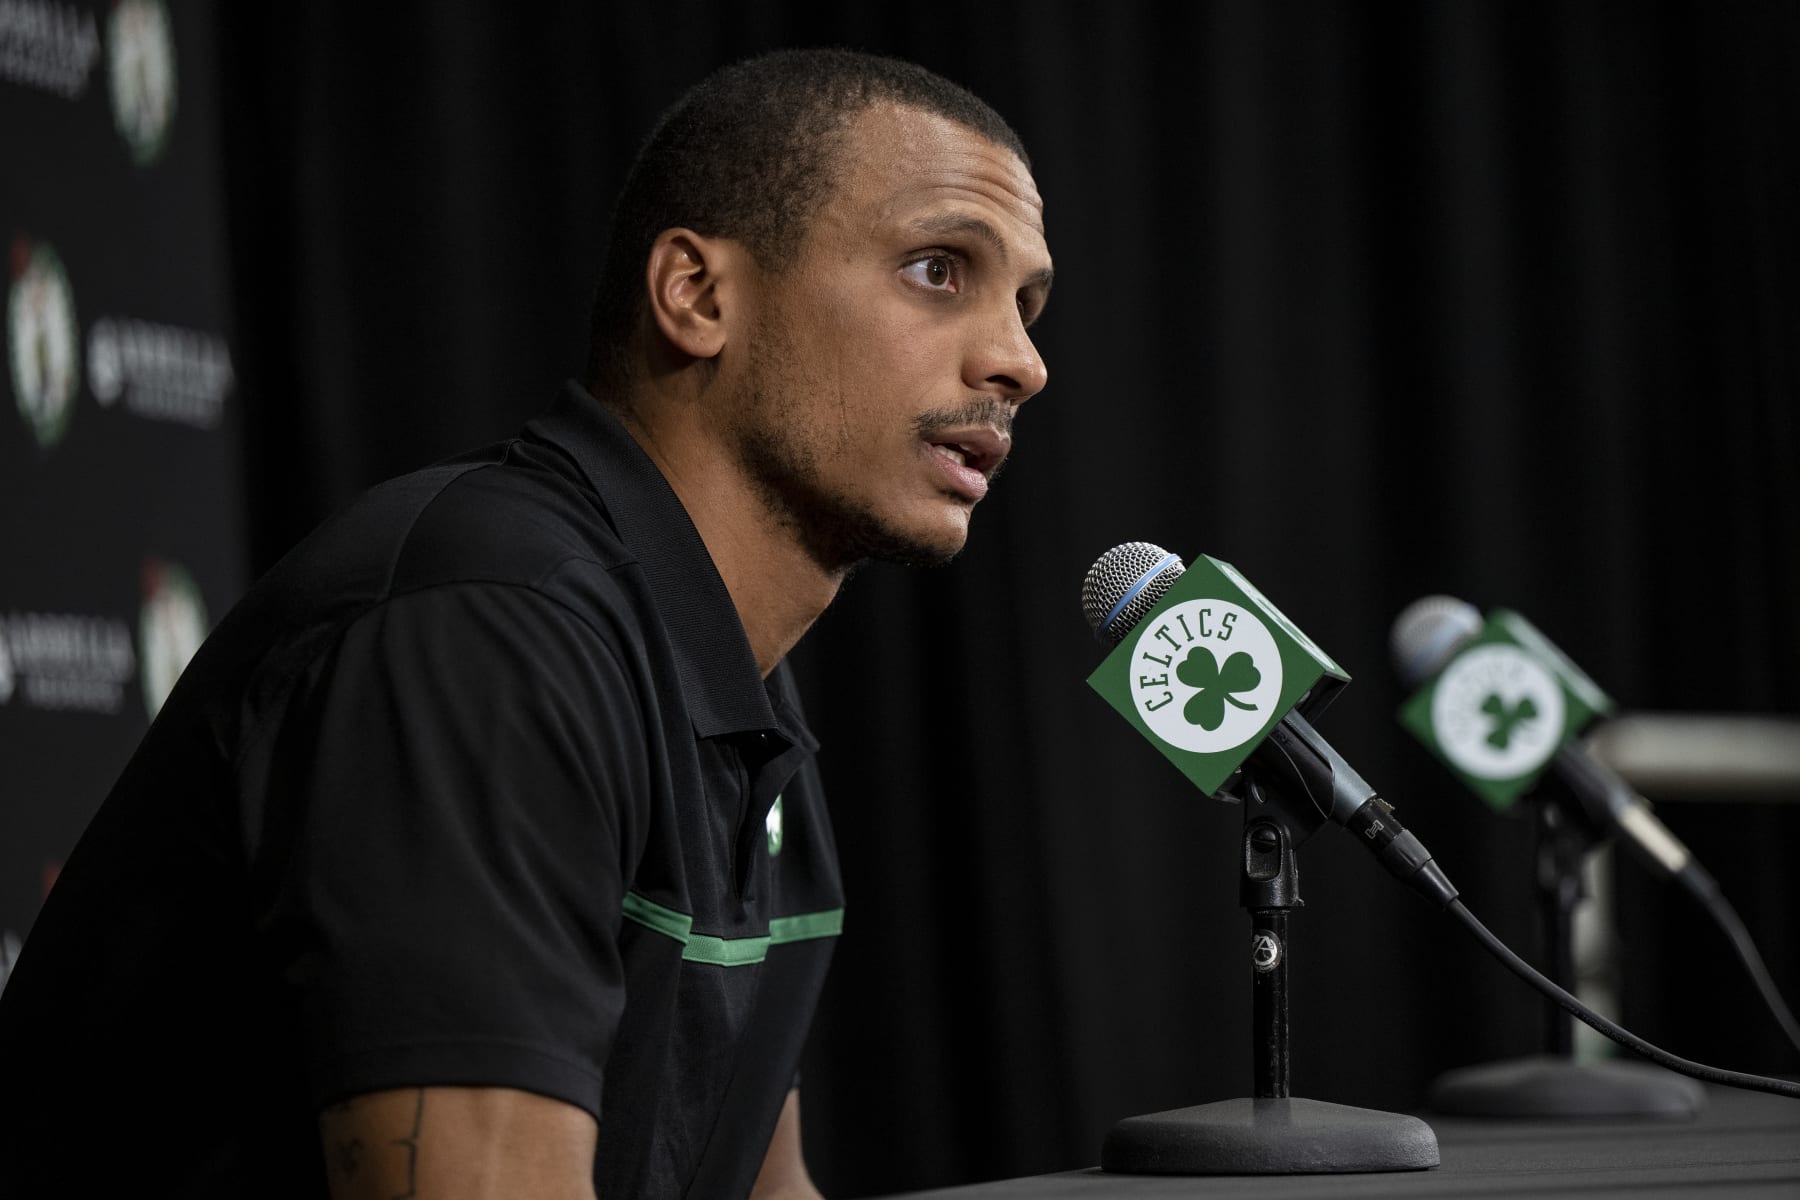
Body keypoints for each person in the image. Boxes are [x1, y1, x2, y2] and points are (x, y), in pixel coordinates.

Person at [0, 47, 1051, 1200]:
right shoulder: (490, 632)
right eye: (940, 269)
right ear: (698, 296)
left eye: (1028, 303)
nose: (1020, 362)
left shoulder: (735, 684)